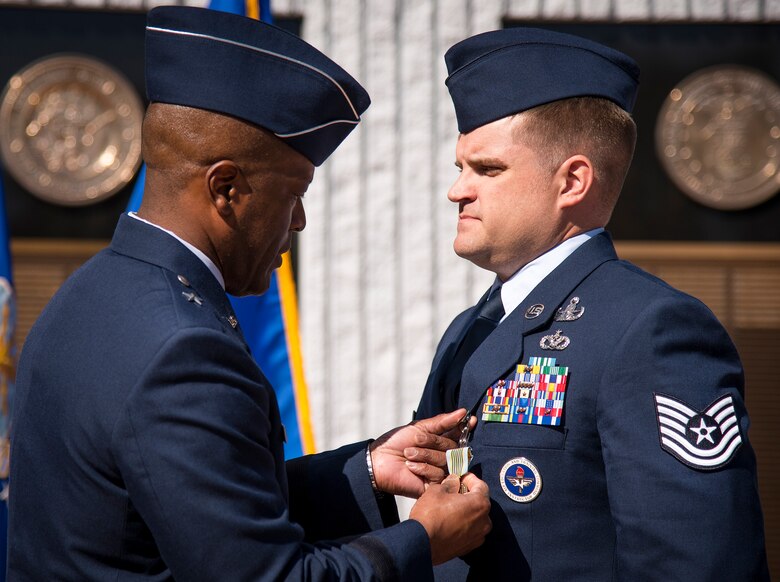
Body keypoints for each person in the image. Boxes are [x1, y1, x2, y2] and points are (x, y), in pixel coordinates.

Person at [7, 7, 491, 581]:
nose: (301, 221)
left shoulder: (92, 291)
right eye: (294, 193)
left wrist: (363, 470)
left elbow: (194, 507)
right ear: (227, 189)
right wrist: (422, 540)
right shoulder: (181, 350)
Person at [412, 27, 769, 580]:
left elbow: (696, 563)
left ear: (573, 181)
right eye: (461, 169)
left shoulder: (651, 329)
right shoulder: (473, 327)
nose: (458, 190)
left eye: (488, 169)